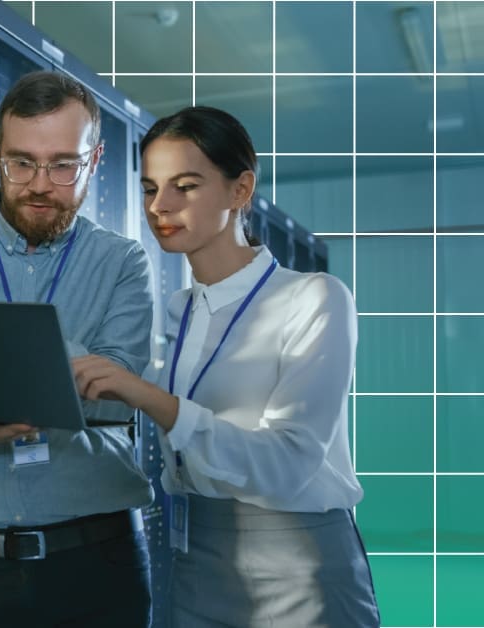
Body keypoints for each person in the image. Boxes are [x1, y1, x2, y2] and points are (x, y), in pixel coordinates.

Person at [73, 106, 381, 627]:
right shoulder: (181, 310)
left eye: (186, 186)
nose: (160, 206)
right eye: (150, 188)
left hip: (297, 568)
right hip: (196, 560)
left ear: (240, 190)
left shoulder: (314, 298)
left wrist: (147, 396)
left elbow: (288, 464)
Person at [0, 70, 155, 627]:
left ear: (95, 160)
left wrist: (2, 361)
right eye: (21, 163)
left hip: (99, 560)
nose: (40, 184)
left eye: (63, 165)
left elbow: (116, 387)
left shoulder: (123, 262)